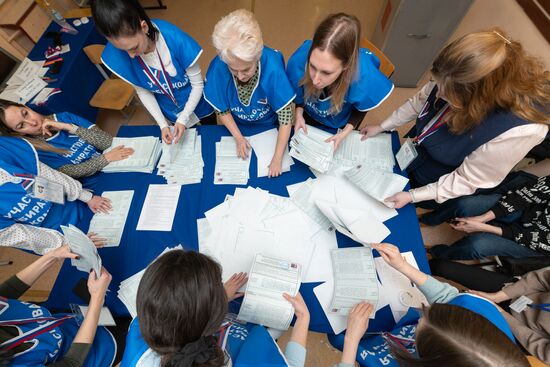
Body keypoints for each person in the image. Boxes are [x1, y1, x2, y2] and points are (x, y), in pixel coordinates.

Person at [361, 29, 549, 223]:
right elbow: (420, 101)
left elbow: (467, 179)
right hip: (421, 148)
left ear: (480, 99)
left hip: (441, 176)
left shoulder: (519, 130)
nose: (438, 94)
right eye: (437, 83)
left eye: (448, 94)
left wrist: (413, 196)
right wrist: (383, 125)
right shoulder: (453, 74)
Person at [330, 243, 529, 367]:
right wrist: (402, 266)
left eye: (420, 329)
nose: (421, 315)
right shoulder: (482, 314)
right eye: (428, 314)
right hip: (384, 336)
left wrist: (351, 341)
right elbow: (446, 297)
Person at [120, 250, 309, 367]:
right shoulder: (251, 358)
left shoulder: (141, 334)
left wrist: (212, 299)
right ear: (213, 319)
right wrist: (302, 320)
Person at [91, 0, 214, 145]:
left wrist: (183, 118)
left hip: (199, 102)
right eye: (123, 50)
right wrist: (162, 124)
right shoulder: (119, 55)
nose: (130, 56)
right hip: (170, 111)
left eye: (134, 47)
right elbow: (144, 92)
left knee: (210, 134)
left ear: (143, 27)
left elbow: (198, 85)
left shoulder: (174, 39)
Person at [204, 9, 295, 177]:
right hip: (237, 125)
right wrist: (238, 138)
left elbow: (286, 117)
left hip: (270, 126)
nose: (240, 76)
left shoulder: (272, 67)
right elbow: (221, 109)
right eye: (233, 69)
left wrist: (277, 158)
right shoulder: (219, 67)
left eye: (246, 69)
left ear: (257, 56)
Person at [286, 13, 393, 150]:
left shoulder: (363, 76)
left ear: (347, 65)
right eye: (312, 66)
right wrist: (299, 113)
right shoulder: (299, 61)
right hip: (309, 114)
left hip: (340, 123)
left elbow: (361, 107)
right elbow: (298, 90)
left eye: (326, 72)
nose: (315, 79)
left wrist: (345, 132)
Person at [0, 244, 115, 366]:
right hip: (97, 349)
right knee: (131, 325)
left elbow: (8, 290)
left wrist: (53, 256)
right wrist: (97, 298)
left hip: (67, 321)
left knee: (114, 306)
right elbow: (71, 362)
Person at [0, 136, 111, 254]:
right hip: (53, 233)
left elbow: (45, 175)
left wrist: (86, 197)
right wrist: (68, 244)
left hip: (71, 204)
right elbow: (20, 235)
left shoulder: (4, 151)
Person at [429, 261, 550, 364]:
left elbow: (541, 347)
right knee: (441, 266)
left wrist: (500, 313)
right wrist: (497, 297)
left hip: (518, 333)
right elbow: (541, 279)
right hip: (516, 293)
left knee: (448, 328)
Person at [0, 100, 134, 178]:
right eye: (21, 125)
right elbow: (73, 172)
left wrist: (70, 127)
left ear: (27, 107)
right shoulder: (36, 151)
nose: (32, 122)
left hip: (116, 157)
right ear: (17, 133)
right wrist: (106, 158)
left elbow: (107, 142)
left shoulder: (65, 118)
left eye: (26, 113)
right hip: (99, 177)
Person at [430, 175, 550, 259]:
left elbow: (537, 239)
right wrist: (484, 218)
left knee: (476, 246)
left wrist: (482, 227)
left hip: (536, 242)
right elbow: (531, 192)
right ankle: (430, 219)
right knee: (466, 204)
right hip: (530, 208)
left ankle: (438, 253)